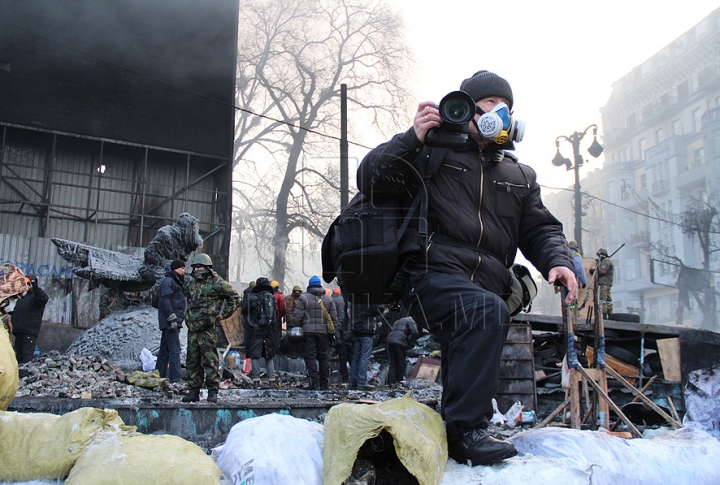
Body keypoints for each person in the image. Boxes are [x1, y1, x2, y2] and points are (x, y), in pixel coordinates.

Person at [356, 70, 577, 466]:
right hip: (428, 276)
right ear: (465, 110)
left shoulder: (520, 176)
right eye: (487, 105)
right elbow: (371, 178)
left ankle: (453, 428)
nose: (496, 113)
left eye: (503, 107)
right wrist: (412, 138)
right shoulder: (433, 155)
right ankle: (466, 431)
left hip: (484, 286)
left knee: (479, 317)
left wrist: (558, 263)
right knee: (485, 312)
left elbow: (542, 229)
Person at [182, 253, 240, 403]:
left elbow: (234, 296)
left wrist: (224, 314)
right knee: (192, 361)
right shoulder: (193, 283)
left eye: (199, 267)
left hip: (208, 329)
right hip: (193, 328)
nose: (196, 270)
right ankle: (193, 391)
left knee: (210, 361)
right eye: (194, 267)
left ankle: (212, 392)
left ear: (207, 268)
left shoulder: (216, 282)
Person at [291, 275, 338, 390]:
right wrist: (333, 332)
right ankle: (324, 383)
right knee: (323, 357)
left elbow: (298, 315)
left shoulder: (304, 298)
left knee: (310, 356)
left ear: (310, 285)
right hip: (324, 333)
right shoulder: (328, 299)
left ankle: (313, 382)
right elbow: (334, 318)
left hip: (308, 332)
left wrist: (294, 326)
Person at [155, 260, 186, 389]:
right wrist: (171, 316)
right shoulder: (169, 281)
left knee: (164, 350)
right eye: (181, 268)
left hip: (172, 320)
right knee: (174, 349)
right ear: (175, 269)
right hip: (171, 321)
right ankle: (175, 378)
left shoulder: (174, 281)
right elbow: (165, 299)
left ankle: (158, 375)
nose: (183, 271)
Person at [243, 277, 278, 381]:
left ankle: (256, 379)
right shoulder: (272, 297)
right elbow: (275, 315)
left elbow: (245, 311)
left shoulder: (252, 297)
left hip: (256, 329)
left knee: (255, 354)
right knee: (269, 354)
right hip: (269, 329)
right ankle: (272, 378)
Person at [11, 275, 49, 364]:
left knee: (26, 358)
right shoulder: (22, 298)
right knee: (18, 357)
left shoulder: (35, 296)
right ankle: (19, 375)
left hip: (28, 332)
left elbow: (43, 298)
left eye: (26, 284)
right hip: (19, 331)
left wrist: (35, 287)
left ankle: (25, 375)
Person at [348, 303, 383, 390]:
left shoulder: (354, 302)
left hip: (356, 331)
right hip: (366, 332)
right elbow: (379, 309)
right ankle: (362, 382)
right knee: (364, 357)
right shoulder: (368, 301)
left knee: (356, 357)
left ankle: (352, 381)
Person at [386, 315, 418, 385]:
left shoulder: (398, 321)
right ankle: (400, 380)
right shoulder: (411, 320)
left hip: (390, 340)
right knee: (401, 361)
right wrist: (410, 341)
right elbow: (414, 332)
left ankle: (391, 381)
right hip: (399, 341)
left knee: (393, 361)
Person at [330, 288, 351, 384]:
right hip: (350, 337)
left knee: (343, 359)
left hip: (343, 336)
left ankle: (345, 378)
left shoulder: (336, 301)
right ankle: (352, 378)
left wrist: (337, 336)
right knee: (352, 358)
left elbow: (338, 321)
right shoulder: (351, 304)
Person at [597, 248, 614, 315]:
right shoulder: (608, 260)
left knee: (603, 299)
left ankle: (603, 313)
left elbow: (602, 271)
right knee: (608, 299)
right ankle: (610, 313)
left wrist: (596, 270)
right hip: (608, 283)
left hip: (604, 283)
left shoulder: (606, 261)